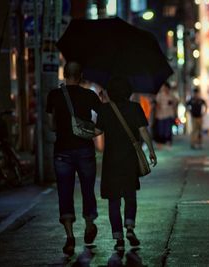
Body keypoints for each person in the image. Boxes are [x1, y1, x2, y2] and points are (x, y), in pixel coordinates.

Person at [95, 76, 157, 252]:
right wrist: (151, 151)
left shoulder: (105, 110)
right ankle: (129, 226)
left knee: (113, 199)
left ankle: (118, 237)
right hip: (129, 159)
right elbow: (143, 130)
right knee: (130, 195)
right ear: (128, 92)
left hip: (111, 162)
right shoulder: (135, 108)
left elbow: (97, 131)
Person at [46, 62, 102, 255]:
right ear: (81, 76)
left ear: (64, 74)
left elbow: (51, 125)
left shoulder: (54, 95)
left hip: (62, 151)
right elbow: (103, 117)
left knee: (64, 191)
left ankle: (69, 236)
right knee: (87, 188)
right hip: (85, 149)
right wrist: (94, 132)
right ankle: (89, 225)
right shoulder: (89, 95)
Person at [154, 82, 178, 148]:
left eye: (165, 87)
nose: (164, 89)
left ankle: (168, 141)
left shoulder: (171, 95)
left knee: (168, 129)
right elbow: (156, 104)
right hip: (161, 115)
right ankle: (161, 142)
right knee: (161, 129)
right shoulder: (160, 95)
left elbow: (175, 103)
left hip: (169, 114)